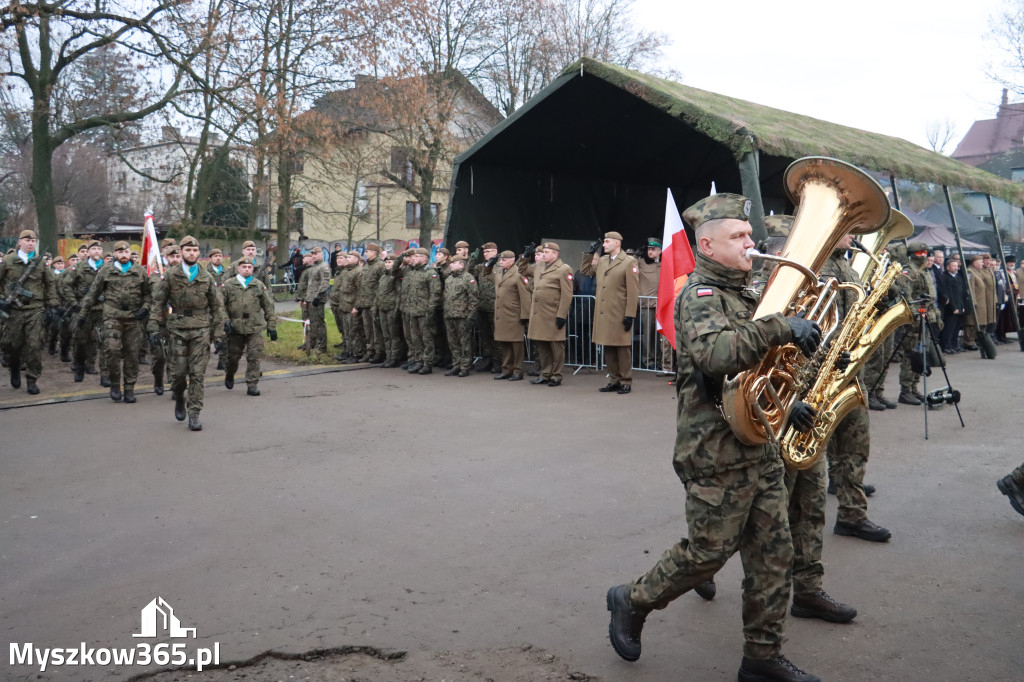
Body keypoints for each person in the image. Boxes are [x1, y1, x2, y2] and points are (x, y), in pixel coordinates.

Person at [606, 194, 821, 682]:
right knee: (706, 556)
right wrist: (779, 326)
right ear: (707, 244)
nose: (751, 244)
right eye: (739, 237)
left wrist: (789, 407)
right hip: (714, 451)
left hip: (758, 444)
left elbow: (757, 376)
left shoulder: (747, 294)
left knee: (773, 555)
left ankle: (761, 658)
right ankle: (631, 599)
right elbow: (718, 356)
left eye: (749, 236)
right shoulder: (699, 295)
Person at [823, 233, 890, 542]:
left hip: (850, 374)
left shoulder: (847, 268)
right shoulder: (818, 266)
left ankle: (852, 514)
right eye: (848, 231)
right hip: (821, 376)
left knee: (855, 445)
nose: (853, 237)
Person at [148, 235, 227, 431]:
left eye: (195, 251)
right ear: (181, 252)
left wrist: (218, 334)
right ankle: (179, 398)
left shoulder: (205, 276)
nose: (191, 253)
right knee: (179, 373)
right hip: (178, 329)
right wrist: (154, 327)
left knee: (197, 374)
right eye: (188, 250)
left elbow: (217, 307)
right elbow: (158, 302)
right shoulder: (171, 275)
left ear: (198, 253)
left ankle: (194, 414)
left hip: (201, 329)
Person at [75, 241, 151, 403]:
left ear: (130, 253)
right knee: (112, 350)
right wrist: (82, 313)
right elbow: (93, 294)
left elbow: (148, 295)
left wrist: (145, 307)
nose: (124, 255)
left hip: (133, 318)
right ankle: (115, 384)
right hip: (112, 316)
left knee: (132, 354)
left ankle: (129, 388)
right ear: (115, 254)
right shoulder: (106, 270)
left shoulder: (140, 271)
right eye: (120, 252)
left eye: (126, 252)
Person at [0, 230, 59, 394]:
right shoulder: (8, 260)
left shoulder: (39, 262)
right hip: (14, 310)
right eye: (27, 240)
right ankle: (14, 368)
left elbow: (50, 283)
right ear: (20, 242)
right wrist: (1, 300)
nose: (31, 243)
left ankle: (32, 379)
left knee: (34, 346)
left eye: (33, 240)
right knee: (12, 346)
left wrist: (53, 305)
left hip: (35, 309)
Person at [581, 231, 639, 394]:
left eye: (607, 242)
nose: (604, 244)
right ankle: (614, 379)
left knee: (622, 349)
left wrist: (630, 314)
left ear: (617, 243)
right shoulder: (603, 261)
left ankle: (626, 380)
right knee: (609, 348)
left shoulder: (628, 262)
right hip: (604, 313)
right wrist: (590, 253)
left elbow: (633, 291)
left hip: (619, 312)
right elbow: (585, 271)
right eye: (604, 242)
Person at [222, 256, 276, 396]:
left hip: (255, 326)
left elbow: (268, 306)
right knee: (233, 357)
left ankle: (252, 384)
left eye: (249, 267)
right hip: (235, 327)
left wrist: (271, 325)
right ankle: (230, 373)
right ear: (238, 268)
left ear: (252, 268)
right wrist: (225, 321)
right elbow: (220, 305)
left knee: (254, 356)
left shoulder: (258, 285)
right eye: (244, 267)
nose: (247, 269)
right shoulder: (228, 285)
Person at [61, 239, 109, 385]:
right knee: (81, 341)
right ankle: (80, 365)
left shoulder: (108, 268)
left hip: (103, 311)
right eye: (93, 249)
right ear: (88, 252)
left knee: (106, 342)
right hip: (83, 310)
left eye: (99, 249)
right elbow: (66, 286)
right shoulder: (78, 268)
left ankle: (104, 374)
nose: (97, 252)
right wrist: (74, 303)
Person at [898, 243, 940, 405]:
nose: (924, 255)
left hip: (927, 316)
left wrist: (935, 315)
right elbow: (906, 297)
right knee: (910, 355)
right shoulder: (909, 271)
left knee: (921, 353)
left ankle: (914, 387)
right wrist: (915, 314)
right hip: (915, 319)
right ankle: (906, 390)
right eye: (921, 252)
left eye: (925, 252)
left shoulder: (925, 271)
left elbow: (931, 296)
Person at [526, 242, 573, 387]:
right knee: (542, 344)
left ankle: (556, 375)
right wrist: (524, 256)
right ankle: (545, 373)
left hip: (553, 314)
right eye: (543, 251)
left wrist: (562, 315)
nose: (544, 254)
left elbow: (567, 294)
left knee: (556, 346)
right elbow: (522, 269)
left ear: (555, 254)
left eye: (547, 252)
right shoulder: (539, 266)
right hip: (539, 314)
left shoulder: (564, 269)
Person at [493, 249, 532, 381]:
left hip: (514, 314)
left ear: (511, 261)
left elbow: (525, 296)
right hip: (502, 314)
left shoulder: (518, 273)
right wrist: (488, 265)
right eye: (500, 260)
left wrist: (525, 315)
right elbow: (486, 274)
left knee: (516, 345)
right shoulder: (499, 272)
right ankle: (506, 369)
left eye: (504, 260)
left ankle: (518, 371)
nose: (501, 262)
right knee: (504, 343)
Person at [148, 244, 182, 394]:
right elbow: (156, 292)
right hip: (162, 321)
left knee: (177, 356)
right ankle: (158, 378)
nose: (175, 259)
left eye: (177, 256)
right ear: (166, 258)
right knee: (160, 356)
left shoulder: (186, 273)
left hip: (179, 321)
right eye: (172, 257)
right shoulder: (157, 274)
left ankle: (175, 386)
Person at [442, 255, 478, 377]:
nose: (451, 265)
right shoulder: (449, 279)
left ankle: (465, 366)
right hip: (449, 315)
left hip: (462, 316)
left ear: (461, 264)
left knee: (464, 342)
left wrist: (470, 316)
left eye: (453, 263)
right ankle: (456, 365)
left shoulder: (468, 278)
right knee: (453, 342)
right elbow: (445, 297)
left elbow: (473, 299)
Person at [470, 242, 501, 373]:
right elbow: (469, 271)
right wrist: (472, 258)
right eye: (484, 252)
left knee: (496, 337)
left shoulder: (501, 265)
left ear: (495, 251)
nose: (485, 254)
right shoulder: (481, 266)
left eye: (488, 251)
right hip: (482, 306)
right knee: (485, 336)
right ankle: (488, 359)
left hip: (495, 307)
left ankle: (498, 362)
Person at [356, 244, 386, 363]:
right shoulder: (366, 267)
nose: (365, 253)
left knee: (376, 330)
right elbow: (362, 287)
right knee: (368, 330)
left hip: (374, 303)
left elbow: (382, 286)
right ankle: (370, 351)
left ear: (374, 252)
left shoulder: (380, 266)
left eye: (367, 251)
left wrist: (377, 302)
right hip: (365, 303)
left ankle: (379, 352)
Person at [376, 254, 404, 367]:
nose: (387, 264)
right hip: (382, 308)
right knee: (386, 334)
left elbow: (399, 294)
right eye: (386, 262)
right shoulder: (383, 276)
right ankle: (388, 356)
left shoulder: (395, 277)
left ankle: (394, 357)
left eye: (390, 262)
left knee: (394, 335)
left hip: (391, 308)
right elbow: (379, 293)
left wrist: (397, 309)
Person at [303, 246, 330, 355]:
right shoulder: (314, 267)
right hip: (310, 298)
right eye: (313, 254)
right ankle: (313, 344)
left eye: (316, 254)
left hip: (317, 300)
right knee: (313, 323)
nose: (314, 256)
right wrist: (307, 299)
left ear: (321, 254)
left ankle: (322, 346)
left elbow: (325, 283)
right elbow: (311, 285)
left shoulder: (324, 267)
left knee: (319, 324)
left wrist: (318, 297)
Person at [940, 257, 966, 353]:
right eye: (953, 266)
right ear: (948, 267)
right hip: (951, 308)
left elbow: (962, 293)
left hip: (959, 306)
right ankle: (947, 346)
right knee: (949, 328)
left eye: (957, 266)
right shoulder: (946, 277)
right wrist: (953, 307)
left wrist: (962, 306)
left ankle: (954, 345)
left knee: (956, 328)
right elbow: (949, 294)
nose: (956, 268)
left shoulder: (958, 277)